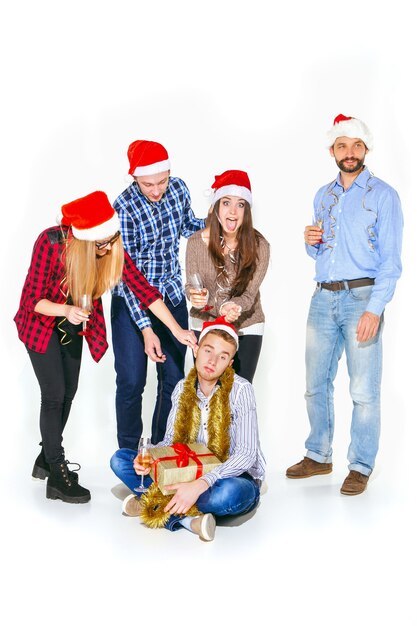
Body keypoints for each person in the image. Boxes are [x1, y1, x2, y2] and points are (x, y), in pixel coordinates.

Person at [14, 191, 196, 504]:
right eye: (101, 243)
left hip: (72, 327)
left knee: (68, 393)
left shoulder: (107, 249)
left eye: (111, 241)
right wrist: (66, 310)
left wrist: (177, 330)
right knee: (54, 394)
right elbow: (32, 301)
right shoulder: (51, 243)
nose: (108, 248)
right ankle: (57, 474)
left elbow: (145, 291)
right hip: (42, 324)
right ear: (84, 240)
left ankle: (46, 457)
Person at [286, 114, 403, 495]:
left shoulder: (384, 196)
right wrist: (309, 240)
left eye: (356, 145)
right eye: (341, 145)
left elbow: (391, 262)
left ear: (366, 149)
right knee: (314, 384)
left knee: (364, 390)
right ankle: (318, 454)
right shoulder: (324, 195)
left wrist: (375, 308)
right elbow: (320, 250)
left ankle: (361, 464)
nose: (349, 153)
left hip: (362, 298)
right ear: (332, 150)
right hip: (323, 296)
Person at [110, 316, 266, 541]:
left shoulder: (241, 390)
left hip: (229, 477)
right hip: (187, 472)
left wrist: (201, 483)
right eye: (208, 351)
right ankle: (188, 520)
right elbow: (171, 442)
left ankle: (152, 502)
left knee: (227, 495)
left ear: (229, 363)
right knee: (121, 459)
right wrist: (151, 456)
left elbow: (246, 455)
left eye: (222, 357)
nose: (212, 361)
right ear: (196, 350)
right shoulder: (182, 387)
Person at [111, 140, 206, 447]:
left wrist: (218, 222)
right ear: (135, 179)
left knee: (174, 380)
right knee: (131, 382)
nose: (156, 190)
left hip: (171, 295)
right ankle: (127, 456)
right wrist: (146, 329)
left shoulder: (178, 189)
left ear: (170, 173)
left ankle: (159, 450)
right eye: (147, 184)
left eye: (161, 181)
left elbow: (187, 225)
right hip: (131, 303)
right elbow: (129, 277)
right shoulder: (123, 206)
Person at [185, 170, 269, 383]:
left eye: (240, 204)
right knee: (204, 393)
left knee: (239, 391)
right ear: (215, 207)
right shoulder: (195, 243)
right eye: (226, 203)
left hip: (246, 324)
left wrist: (234, 306)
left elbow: (249, 294)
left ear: (247, 211)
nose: (233, 211)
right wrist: (196, 296)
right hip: (205, 323)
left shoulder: (260, 246)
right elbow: (191, 286)